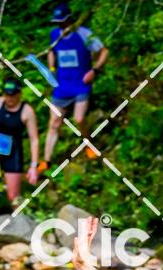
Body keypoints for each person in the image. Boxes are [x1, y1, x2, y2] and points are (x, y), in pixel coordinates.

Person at [39, 2, 108, 171]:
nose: (60, 25)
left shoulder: (84, 34)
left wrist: (95, 70)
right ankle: (46, 161)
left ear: (69, 19)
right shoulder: (55, 35)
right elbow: (51, 51)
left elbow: (104, 51)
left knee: (79, 118)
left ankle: (89, 145)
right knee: (54, 122)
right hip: (62, 85)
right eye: (57, 22)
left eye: (62, 22)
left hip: (81, 84)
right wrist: (52, 68)